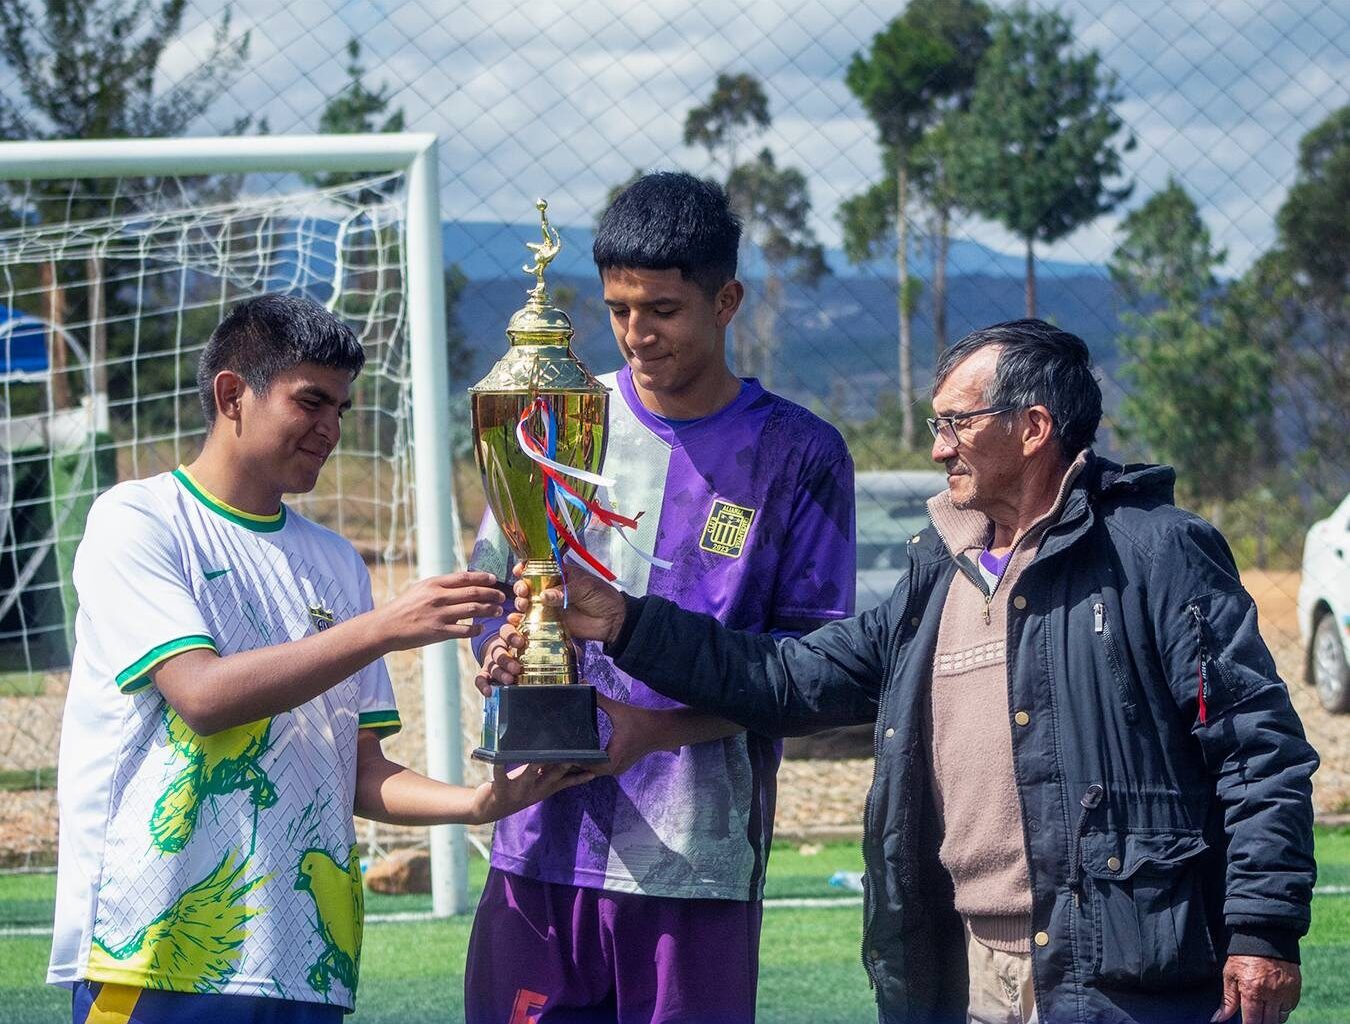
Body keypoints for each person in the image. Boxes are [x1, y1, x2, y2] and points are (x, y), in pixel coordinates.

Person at [492, 319, 1319, 1024]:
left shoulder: (1155, 552)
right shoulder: (941, 567)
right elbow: (794, 679)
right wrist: (627, 623)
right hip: (967, 968)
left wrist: (1262, 931)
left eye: (956, 425)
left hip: (1124, 973)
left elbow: (1257, 749)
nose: (936, 448)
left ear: (1032, 429)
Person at [47, 294, 590, 1024]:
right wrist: (381, 630)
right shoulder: (138, 520)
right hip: (153, 952)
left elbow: (360, 773)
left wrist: (482, 804)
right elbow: (202, 697)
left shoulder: (334, 561)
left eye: (341, 408)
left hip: (305, 962)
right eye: (312, 402)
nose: (332, 429)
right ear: (232, 395)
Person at [465, 171, 856, 1023]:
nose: (636, 334)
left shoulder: (800, 453)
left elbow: (811, 674)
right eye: (618, 309)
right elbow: (503, 595)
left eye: (663, 311)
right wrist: (500, 651)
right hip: (538, 840)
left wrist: (655, 732)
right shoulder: (554, 415)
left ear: (726, 302)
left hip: (694, 855)